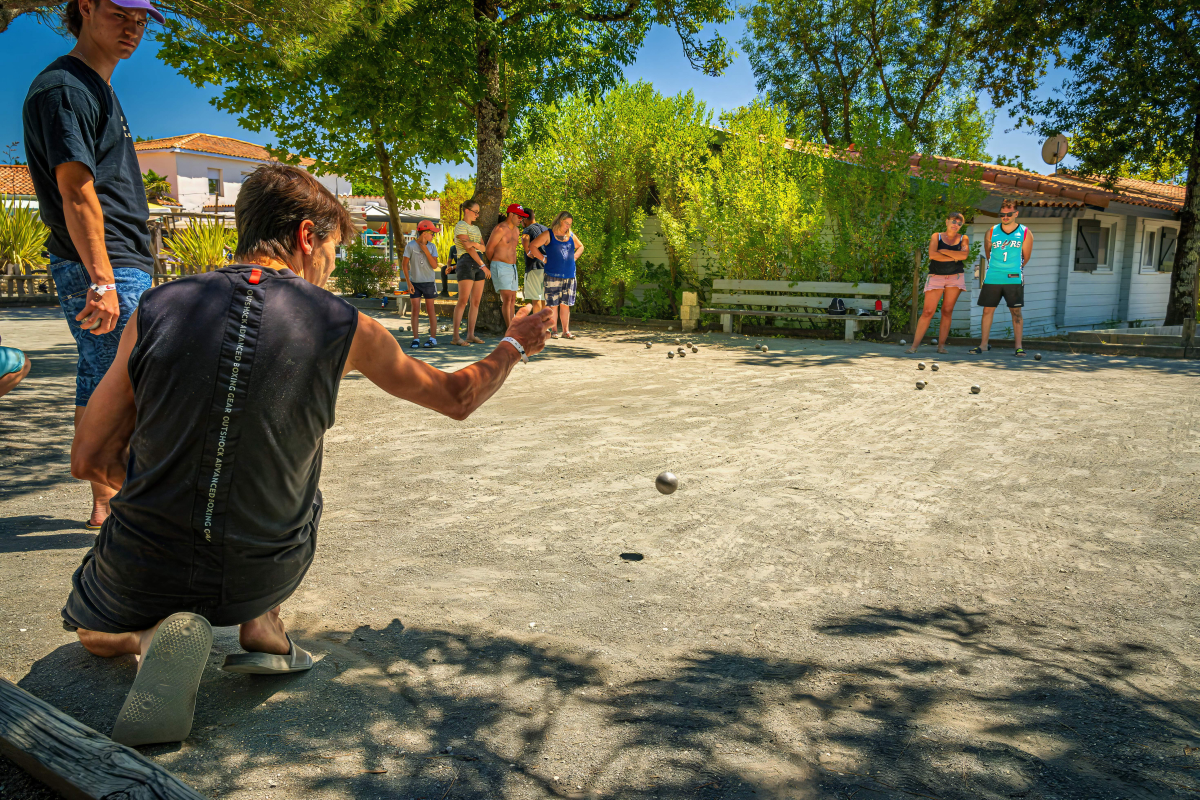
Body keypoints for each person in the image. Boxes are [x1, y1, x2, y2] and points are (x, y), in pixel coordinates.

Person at [66, 164, 552, 747]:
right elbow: (457, 396)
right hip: (263, 560)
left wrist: (155, 490)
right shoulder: (345, 325)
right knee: (297, 480)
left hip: (144, 559)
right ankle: (263, 623)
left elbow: (89, 456)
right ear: (305, 237)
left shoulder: (158, 306)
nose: (331, 267)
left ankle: (146, 641)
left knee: (91, 632)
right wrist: (514, 342)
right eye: (332, 250)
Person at [22, 0, 162, 531]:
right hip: (104, 264)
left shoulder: (96, 88)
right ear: (85, 7)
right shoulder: (65, 88)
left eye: (141, 19)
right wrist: (102, 278)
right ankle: (126, 509)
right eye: (120, 14)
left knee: (101, 375)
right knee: (124, 382)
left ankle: (108, 504)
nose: (133, 28)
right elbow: (76, 190)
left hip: (117, 261)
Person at [972, 199, 1033, 356]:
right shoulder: (991, 231)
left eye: (1009, 214)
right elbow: (988, 254)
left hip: (1013, 278)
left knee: (1016, 312)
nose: (1005, 217)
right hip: (993, 277)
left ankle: (1018, 347)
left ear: (1016, 214)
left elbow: (1026, 257)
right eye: (1002, 214)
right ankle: (984, 344)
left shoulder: (1025, 232)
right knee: (987, 310)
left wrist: (1012, 269)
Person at [909, 212, 970, 354]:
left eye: (959, 223)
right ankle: (914, 347)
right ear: (947, 221)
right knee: (927, 311)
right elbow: (932, 255)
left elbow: (964, 255)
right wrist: (954, 256)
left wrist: (943, 252)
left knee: (947, 311)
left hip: (955, 277)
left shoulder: (963, 238)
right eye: (954, 221)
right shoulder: (936, 236)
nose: (956, 225)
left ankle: (941, 346)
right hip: (936, 276)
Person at [528, 212, 584, 339]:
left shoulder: (570, 235)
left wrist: (575, 257)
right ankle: (554, 331)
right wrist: (543, 258)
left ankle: (566, 331)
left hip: (569, 275)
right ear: (560, 221)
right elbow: (533, 246)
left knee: (566, 304)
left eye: (570, 224)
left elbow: (581, 247)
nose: (568, 226)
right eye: (566, 223)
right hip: (552, 274)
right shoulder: (549, 234)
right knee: (553, 304)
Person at [451, 199, 490, 346]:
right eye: (475, 212)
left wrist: (474, 244)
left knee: (475, 302)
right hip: (467, 263)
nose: (477, 215)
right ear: (466, 210)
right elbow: (468, 248)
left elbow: (483, 248)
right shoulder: (460, 225)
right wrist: (483, 265)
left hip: (478, 263)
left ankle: (470, 335)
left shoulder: (476, 229)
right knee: (462, 301)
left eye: (478, 212)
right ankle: (455, 337)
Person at [486, 203, 530, 328]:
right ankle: (509, 331)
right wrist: (495, 262)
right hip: (500, 266)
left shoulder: (516, 230)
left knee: (512, 299)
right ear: (511, 214)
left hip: (512, 268)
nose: (521, 219)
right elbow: (489, 249)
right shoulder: (500, 229)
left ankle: (512, 328)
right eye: (519, 216)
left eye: (523, 217)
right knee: (506, 299)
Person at [402, 220, 441, 348]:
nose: (433, 236)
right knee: (415, 311)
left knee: (431, 311)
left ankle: (433, 338)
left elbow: (434, 265)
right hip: (415, 283)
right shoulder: (411, 246)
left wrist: (425, 250)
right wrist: (409, 283)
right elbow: (404, 265)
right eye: (432, 233)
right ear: (424, 234)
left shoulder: (432, 247)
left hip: (429, 283)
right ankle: (416, 339)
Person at [522, 209, 549, 317]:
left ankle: (537, 326)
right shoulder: (545, 229)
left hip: (534, 266)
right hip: (547, 267)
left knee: (536, 298)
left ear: (525, 219)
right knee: (544, 299)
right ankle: (546, 327)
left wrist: (527, 251)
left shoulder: (528, 229)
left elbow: (525, 238)